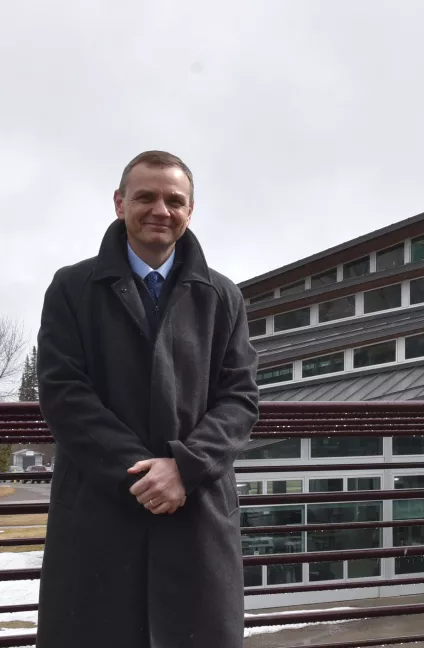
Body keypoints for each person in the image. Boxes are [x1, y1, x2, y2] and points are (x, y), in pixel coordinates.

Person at [36, 151, 260, 648]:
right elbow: (63, 392)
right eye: (145, 197)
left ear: (190, 210)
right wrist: (142, 473)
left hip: (195, 508)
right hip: (100, 507)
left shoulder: (223, 296)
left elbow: (240, 398)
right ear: (119, 203)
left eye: (174, 200)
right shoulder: (72, 288)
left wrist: (184, 467)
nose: (161, 209)